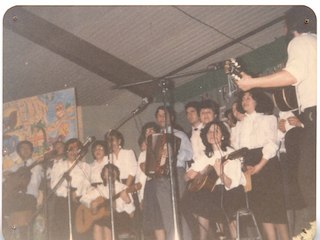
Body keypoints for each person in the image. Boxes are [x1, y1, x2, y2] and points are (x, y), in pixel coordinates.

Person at [236, 6, 316, 230]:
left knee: (309, 180)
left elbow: (292, 75)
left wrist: (252, 83)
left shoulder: (299, 42)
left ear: (289, 27)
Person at [233, 89, 289, 240]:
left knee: (276, 210)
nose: (245, 101)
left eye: (249, 98)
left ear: (257, 101)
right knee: (262, 210)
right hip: (250, 166)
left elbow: (272, 143)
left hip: (267, 164)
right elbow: (238, 149)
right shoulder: (240, 125)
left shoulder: (268, 119)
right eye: (243, 98)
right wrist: (245, 166)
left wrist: (259, 165)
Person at [183, 121, 246, 240]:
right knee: (188, 200)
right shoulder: (205, 156)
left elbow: (231, 184)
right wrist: (195, 173)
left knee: (204, 200)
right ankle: (210, 236)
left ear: (223, 136)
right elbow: (186, 177)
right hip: (212, 195)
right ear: (206, 136)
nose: (212, 134)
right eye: (210, 132)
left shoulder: (231, 153)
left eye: (216, 131)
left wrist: (220, 173)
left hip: (232, 193)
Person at [154, 105, 193, 240]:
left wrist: (174, 155)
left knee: (173, 208)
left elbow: (189, 154)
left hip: (176, 171)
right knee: (167, 212)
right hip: (160, 175)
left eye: (165, 115)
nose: (162, 118)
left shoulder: (179, 134)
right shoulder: (156, 137)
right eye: (159, 115)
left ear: (171, 117)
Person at [80, 163, 136, 240]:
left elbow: (132, 214)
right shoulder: (99, 189)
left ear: (116, 174)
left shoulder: (123, 188)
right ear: (103, 176)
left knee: (106, 226)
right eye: (107, 171)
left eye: (113, 171)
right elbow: (83, 199)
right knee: (97, 227)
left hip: (121, 219)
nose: (110, 173)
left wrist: (128, 201)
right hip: (104, 218)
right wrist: (92, 203)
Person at [50, 138, 91, 240]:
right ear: (66, 151)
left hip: (80, 201)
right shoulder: (60, 165)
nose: (73, 151)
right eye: (70, 149)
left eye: (76, 149)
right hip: (63, 202)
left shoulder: (85, 166)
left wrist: (77, 194)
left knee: (80, 232)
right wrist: (69, 192)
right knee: (63, 231)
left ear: (80, 151)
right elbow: (54, 185)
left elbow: (87, 184)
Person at [3, 140, 43, 240]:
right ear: (19, 152)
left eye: (27, 148)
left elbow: (44, 177)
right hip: (15, 198)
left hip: (29, 198)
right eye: (22, 148)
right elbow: (4, 177)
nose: (25, 150)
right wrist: (5, 174)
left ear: (31, 151)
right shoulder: (16, 167)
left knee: (25, 227)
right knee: (9, 223)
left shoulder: (38, 165)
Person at [136, 122, 166, 240]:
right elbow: (143, 176)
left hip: (162, 184)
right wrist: (142, 197)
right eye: (146, 131)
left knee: (165, 218)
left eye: (151, 130)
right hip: (150, 186)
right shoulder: (143, 154)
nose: (149, 133)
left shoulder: (164, 147)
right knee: (156, 221)